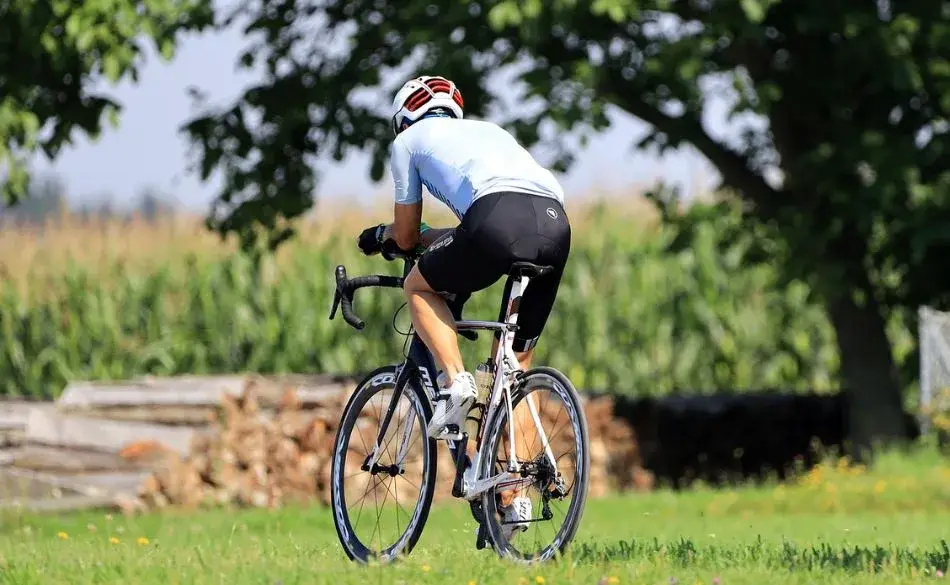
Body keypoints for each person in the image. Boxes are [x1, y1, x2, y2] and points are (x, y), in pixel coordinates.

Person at [357, 75, 572, 537]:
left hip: (493, 220)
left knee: (418, 288)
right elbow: (470, 232)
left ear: (403, 117)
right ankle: (515, 497)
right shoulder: (489, 133)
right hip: (554, 224)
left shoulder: (409, 141)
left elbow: (409, 235)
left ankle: (456, 382)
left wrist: (380, 238)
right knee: (516, 363)